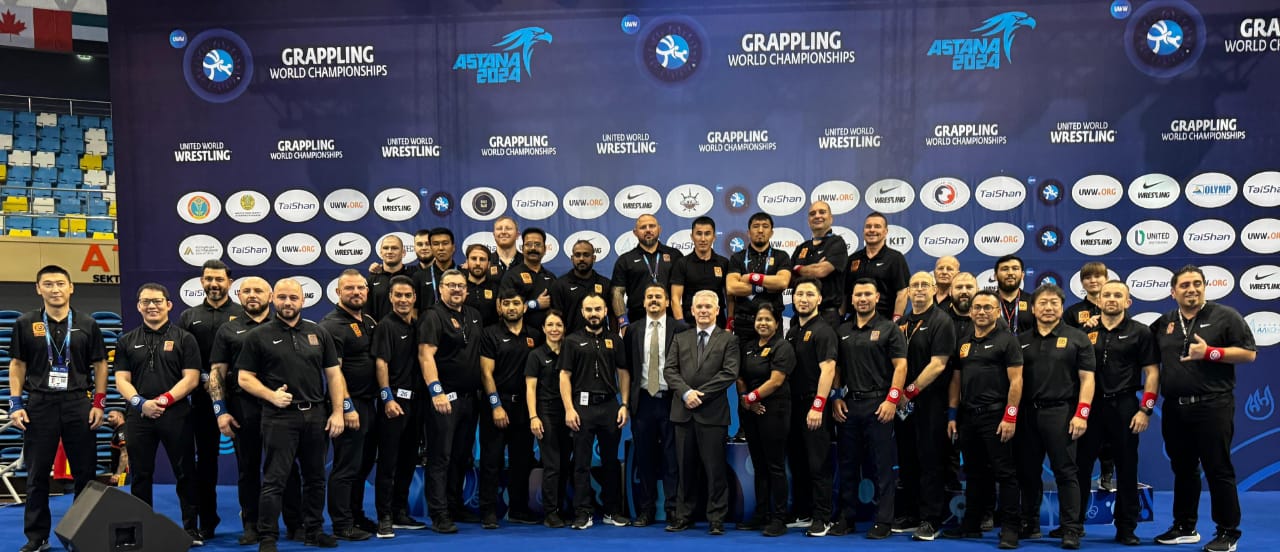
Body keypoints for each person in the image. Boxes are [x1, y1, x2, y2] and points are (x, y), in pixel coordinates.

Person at [237, 279, 352, 552]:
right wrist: (271, 396)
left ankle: (314, 531)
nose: (287, 302)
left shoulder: (318, 332)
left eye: (293, 297)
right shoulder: (258, 335)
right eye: (282, 297)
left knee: (315, 479)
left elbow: (334, 375)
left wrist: (338, 412)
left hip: (316, 416)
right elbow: (244, 377)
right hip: (279, 418)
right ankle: (268, 536)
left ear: (303, 300)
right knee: (275, 480)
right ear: (273, 299)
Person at [1150, 266, 1256, 552]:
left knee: (1217, 468)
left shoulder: (1226, 316)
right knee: (1183, 469)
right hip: (1175, 408)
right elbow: (1135, 340)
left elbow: (1249, 353)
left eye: (1197, 284)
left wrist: (1210, 352)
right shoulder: (1164, 322)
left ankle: (1228, 532)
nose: (1192, 289)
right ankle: (1185, 527)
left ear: (1204, 287)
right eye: (1184, 285)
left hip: (1213, 405)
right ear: (1173, 292)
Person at [9, 265, 109, 552]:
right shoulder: (25, 323)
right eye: (48, 284)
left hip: (78, 402)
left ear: (71, 287)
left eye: (61, 283)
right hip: (39, 404)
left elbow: (101, 364)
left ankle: (83, 534)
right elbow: (17, 364)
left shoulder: (87, 323)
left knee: (85, 474)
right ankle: (37, 537)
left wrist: (99, 403)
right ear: (38, 289)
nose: (55, 289)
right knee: (37, 474)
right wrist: (15, 403)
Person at [208, 276, 303, 545]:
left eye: (258, 290)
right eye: (247, 291)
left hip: (283, 409)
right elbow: (216, 373)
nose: (252, 295)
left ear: (270, 296)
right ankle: (251, 525)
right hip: (243, 409)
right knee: (247, 469)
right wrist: (220, 411)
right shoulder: (228, 330)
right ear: (238, 295)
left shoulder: (286, 326)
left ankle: (295, 523)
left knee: (288, 469)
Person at [1070, 280, 1159, 546]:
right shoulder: (1084, 331)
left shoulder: (1141, 332)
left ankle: (1126, 527)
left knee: (1127, 468)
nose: (1111, 298)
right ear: (1098, 301)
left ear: (1127, 302)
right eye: (1106, 294)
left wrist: (1145, 409)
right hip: (1091, 406)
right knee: (1081, 467)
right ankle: (1074, 525)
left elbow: (1152, 373)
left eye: (1117, 295)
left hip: (1125, 407)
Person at [113, 283, 203, 543]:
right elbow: (121, 380)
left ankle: (191, 529)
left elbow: (191, 379)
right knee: (141, 475)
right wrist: (140, 403)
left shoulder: (185, 339)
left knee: (185, 473)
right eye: (146, 302)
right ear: (139, 306)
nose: (152, 306)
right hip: (139, 416)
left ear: (168, 304)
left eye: (157, 301)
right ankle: (140, 530)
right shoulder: (126, 340)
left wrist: (163, 400)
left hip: (176, 415)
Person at [1014, 284, 1095, 549]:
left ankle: (1071, 528)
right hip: (1027, 414)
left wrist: (1082, 414)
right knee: (1028, 472)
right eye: (1043, 303)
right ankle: (1029, 523)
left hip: (1062, 413)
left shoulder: (1078, 338)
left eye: (1054, 303)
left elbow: (1087, 379)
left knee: (1066, 472)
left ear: (1061, 307)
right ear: (1033, 308)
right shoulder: (1020, 340)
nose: (1048, 308)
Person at [943, 290, 1023, 549]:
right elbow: (956, 381)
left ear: (997, 312)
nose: (981, 311)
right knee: (974, 472)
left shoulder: (1007, 340)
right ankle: (971, 524)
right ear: (971, 311)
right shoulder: (964, 342)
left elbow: (1016, 380)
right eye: (977, 307)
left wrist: (1010, 416)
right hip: (968, 416)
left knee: (1005, 473)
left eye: (988, 307)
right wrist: (953, 415)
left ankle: (1010, 529)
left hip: (997, 415)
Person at [831, 279, 907, 538]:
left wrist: (892, 400)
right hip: (849, 405)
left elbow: (901, 366)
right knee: (848, 464)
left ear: (876, 298)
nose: (862, 299)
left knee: (882, 466)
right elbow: (837, 368)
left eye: (867, 294)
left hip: (880, 405)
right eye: (858, 295)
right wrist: (836, 397)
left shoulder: (889, 329)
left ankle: (884, 521)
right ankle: (847, 518)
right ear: (852, 300)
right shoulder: (842, 330)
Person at [664, 290, 740, 535]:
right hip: (683, 413)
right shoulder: (680, 338)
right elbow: (670, 370)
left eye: (708, 306)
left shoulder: (728, 340)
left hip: (713, 414)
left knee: (715, 470)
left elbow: (729, 373)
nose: (704, 310)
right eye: (700, 307)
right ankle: (683, 516)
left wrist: (700, 395)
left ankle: (716, 519)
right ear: (692, 310)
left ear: (718, 310)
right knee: (684, 469)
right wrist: (686, 393)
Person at [177, 259, 243, 540]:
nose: (214, 284)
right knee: (205, 462)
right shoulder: (189, 316)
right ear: (202, 282)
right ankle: (207, 521)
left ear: (230, 282)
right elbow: (181, 358)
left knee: (248, 461)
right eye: (208, 279)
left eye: (219, 279)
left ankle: (253, 519)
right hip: (201, 401)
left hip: (240, 399)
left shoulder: (243, 314)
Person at [418, 268, 484, 533]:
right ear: (441, 288)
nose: (456, 289)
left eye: (461, 286)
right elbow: (425, 355)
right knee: (440, 457)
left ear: (466, 290)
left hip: (470, 399)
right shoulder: (432, 316)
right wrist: (436, 391)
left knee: (460, 456)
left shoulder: (474, 315)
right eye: (451, 285)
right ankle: (439, 513)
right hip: (444, 398)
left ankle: (455, 505)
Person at [892, 272, 956, 541]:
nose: (919, 289)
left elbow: (939, 364)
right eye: (914, 285)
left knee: (931, 460)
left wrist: (910, 391)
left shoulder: (941, 321)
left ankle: (931, 518)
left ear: (933, 290)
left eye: (924, 285)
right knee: (908, 458)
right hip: (903, 405)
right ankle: (911, 513)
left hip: (930, 401)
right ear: (908, 292)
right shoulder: (902, 323)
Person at [559, 293, 631, 530]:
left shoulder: (615, 340)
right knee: (581, 463)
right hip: (582, 407)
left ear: (605, 311)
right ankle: (583, 513)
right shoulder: (571, 341)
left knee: (611, 461)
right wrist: (569, 409)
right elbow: (564, 376)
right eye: (589, 310)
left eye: (597, 309)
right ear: (582, 312)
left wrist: (624, 404)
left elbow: (623, 372)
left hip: (610, 406)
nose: (593, 314)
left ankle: (612, 511)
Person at [319, 270, 379, 541]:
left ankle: (356, 515)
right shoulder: (331, 325)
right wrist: (346, 407)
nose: (356, 292)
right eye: (349, 288)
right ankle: (341, 523)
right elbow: (335, 373)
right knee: (346, 467)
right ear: (338, 292)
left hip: (368, 403)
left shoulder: (368, 320)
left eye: (360, 288)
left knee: (362, 466)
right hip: (349, 405)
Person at [623, 284, 686, 527]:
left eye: (658, 297)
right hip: (643, 401)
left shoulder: (680, 328)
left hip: (671, 400)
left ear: (667, 302)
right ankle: (646, 510)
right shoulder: (633, 330)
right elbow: (627, 367)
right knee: (644, 458)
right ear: (643, 302)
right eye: (649, 297)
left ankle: (673, 510)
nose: (653, 300)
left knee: (672, 458)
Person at [478, 289, 541, 527]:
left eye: (516, 303)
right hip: (497, 404)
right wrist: (496, 405)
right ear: (499, 307)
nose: (512, 307)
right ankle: (488, 511)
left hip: (524, 406)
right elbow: (486, 373)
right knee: (491, 460)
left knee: (521, 461)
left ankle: (518, 509)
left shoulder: (535, 335)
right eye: (507, 303)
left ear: (524, 307)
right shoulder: (490, 334)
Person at [784, 278, 839, 536]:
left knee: (818, 463)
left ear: (819, 299)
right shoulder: (793, 330)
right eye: (799, 294)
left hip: (814, 403)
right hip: (792, 405)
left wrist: (818, 406)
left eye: (809, 294)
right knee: (798, 461)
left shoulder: (823, 331)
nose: (803, 299)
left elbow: (828, 369)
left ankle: (822, 517)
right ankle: (803, 512)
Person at [735, 304, 794, 537]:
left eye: (768, 319)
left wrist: (752, 398)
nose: (763, 323)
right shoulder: (748, 347)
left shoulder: (782, 346)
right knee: (759, 466)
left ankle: (779, 518)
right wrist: (745, 399)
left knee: (775, 466)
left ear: (777, 323)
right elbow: (740, 377)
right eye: (759, 319)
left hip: (774, 411)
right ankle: (761, 514)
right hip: (751, 412)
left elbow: (776, 380)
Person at [370, 275, 422, 538]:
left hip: (416, 402)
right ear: (390, 297)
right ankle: (384, 517)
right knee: (388, 462)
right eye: (398, 295)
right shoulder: (385, 326)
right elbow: (381, 364)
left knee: (409, 460)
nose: (403, 300)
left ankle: (400, 511)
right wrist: (387, 398)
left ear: (414, 298)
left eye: (407, 295)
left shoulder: (418, 325)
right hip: (394, 403)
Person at [525, 310, 573, 527]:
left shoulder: (570, 353)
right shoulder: (535, 355)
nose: (555, 329)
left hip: (568, 413)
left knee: (564, 464)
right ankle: (550, 512)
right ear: (543, 329)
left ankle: (560, 508)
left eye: (559, 325)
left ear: (564, 329)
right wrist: (533, 416)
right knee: (552, 464)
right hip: (546, 412)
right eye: (550, 325)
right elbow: (530, 388)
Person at [726, 212, 793, 342]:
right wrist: (765, 287)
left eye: (765, 226)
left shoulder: (781, 256)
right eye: (756, 226)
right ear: (748, 232)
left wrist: (751, 277)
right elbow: (731, 287)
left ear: (771, 232)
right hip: (744, 323)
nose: (760, 230)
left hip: (771, 322)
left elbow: (783, 282)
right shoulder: (737, 258)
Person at [612, 213, 683, 331]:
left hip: (670, 320)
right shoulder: (625, 260)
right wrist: (624, 324)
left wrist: (680, 321)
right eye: (643, 227)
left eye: (652, 226)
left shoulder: (675, 255)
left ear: (659, 229)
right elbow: (617, 293)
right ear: (635, 232)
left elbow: (684, 290)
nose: (648, 230)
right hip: (636, 321)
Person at [790, 201, 848, 327]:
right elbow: (790, 278)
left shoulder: (837, 243)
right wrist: (812, 268)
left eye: (822, 212)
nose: (817, 216)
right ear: (808, 221)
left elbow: (820, 271)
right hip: (800, 316)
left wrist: (798, 268)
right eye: (812, 214)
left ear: (831, 218)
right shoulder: (801, 248)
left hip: (826, 316)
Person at [846, 212, 909, 321]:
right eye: (868, 226)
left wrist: (896, 322)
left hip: (884, 321)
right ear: (863, 231)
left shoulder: (895, 258)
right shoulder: (853, 259)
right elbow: (845, 293)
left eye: (877, 226)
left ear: (885, 231)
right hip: (855, 322)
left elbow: (902, 293)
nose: (872, 230)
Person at [670, 216, 731, 326]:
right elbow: (675, 298)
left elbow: (729, 297)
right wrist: (681, 325)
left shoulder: (723, 263)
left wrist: (729, 324)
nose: (703, 239)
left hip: (718, 324)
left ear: (714, 237)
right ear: (692, 237)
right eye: (699, 234)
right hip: (690, 324)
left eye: (707, 234)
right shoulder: (682, 263)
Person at [551, 239, 615, 333]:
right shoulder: (560, 285)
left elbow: (612, 316)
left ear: (594, 258)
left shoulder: (606, 284)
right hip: (570, 339)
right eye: (577, 255)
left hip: (600, 339)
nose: (581, 259)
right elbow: (556, 318)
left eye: (586, 255)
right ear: (572, 258)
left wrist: (613, 337)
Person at [500, 227, 557, 331]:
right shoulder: (512, 276)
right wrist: (535, 304)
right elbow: (502, 309)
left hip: (547, 335)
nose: (533, 248)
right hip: (519, 335)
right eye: (529, 244)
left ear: (545, 249)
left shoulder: (551, 277)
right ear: (522, 248)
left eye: (538, 244)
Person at [368, 235, 416, 322]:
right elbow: (366, 313)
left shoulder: (414, 276)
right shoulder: (372, 279)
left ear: (403, 253)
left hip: (409, 329)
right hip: (379, 329)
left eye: (394, 248)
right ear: (381, 253)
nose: (389, 251)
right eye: (386, 248)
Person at [412, 227, 459, 313]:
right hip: (429, 321)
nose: (441, 248)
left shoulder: (464, 274)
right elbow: (414, 311)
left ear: (453, 247)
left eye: (445, 243)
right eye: (436, 244)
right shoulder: (419, 276)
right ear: (431, 248)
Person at [993, 255, 1033, 333]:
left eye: (1015, 268)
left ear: (1022, 275)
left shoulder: (1033, 301)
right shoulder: (987, 302)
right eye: (1005, 269)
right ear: (995, 276)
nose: (1010, 273)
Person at [463, 243, 500, 327]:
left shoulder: (496, 289)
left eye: (482, 259)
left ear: (489, 264)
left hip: (490, 334)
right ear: (467, 262)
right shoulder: (459, 287)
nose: (478, 263)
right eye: (474, 258)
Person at [1065, 261, 1107, 329]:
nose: (1093, 281)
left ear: (1106, 279)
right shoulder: (1071, 312)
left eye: (1097, 276)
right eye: (1088, 278)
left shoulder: (1116, 309)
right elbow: (1066, 335)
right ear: (1082, 282)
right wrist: (1086, 328)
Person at [488, 215, 524, 281]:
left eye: (508, 228)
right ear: (494, 235)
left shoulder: (526, 262)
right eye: (499, 229)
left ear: (517, 235)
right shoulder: (486, 261)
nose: (503, 232)